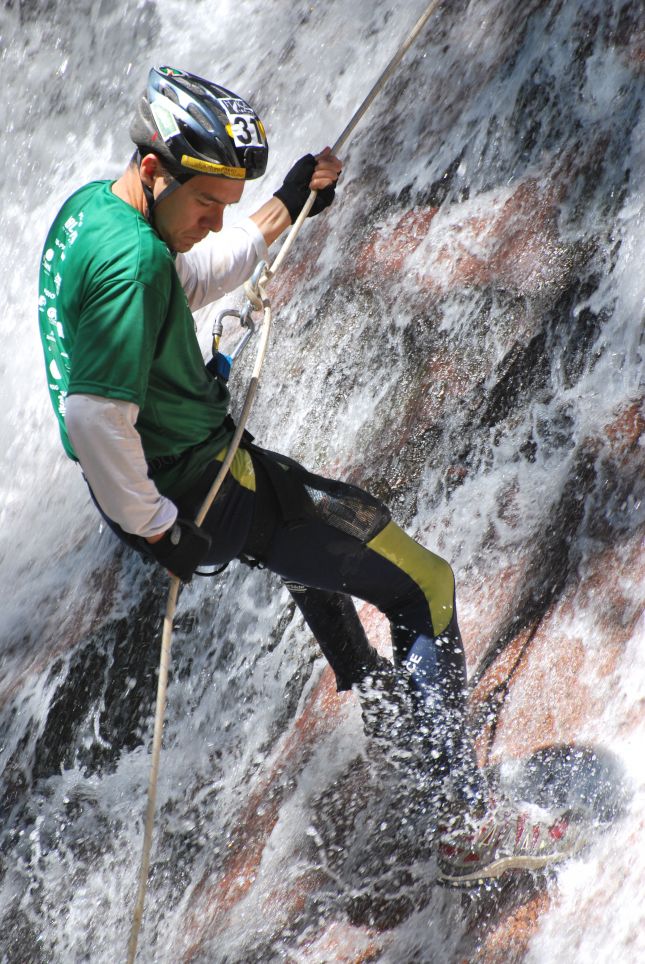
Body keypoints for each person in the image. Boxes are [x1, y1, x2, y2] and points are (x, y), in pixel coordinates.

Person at [37, 65, 582, 884]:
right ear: (154, 170)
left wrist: (284, 207)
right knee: (424, 585)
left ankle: (386, 706)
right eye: (205, 205)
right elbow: (91, 416)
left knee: (316, 536)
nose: (212, 221)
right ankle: (467, 825)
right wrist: (159, 530)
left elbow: (175, 283)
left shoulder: (92, 215)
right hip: (204, 488)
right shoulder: (134, 263)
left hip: (177, 476)